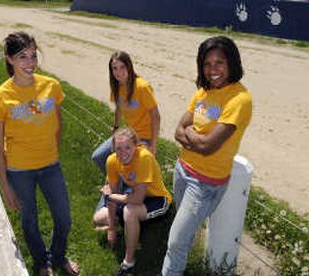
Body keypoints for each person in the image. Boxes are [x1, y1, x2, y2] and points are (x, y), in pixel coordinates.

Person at [0, 32, 78, 276]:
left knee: (64, 218)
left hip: (50, 165)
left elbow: (58, 123)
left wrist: (52, 150)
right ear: (9, 59)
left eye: (33, 56)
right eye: (22, 57)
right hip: (19, 171)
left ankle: (57, 256)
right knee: (29, 221)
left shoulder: (51, 86)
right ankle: (41, 261)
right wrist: (5, 186)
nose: (30, 63)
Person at [161, 36, 252, 275]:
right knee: (182, 236)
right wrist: (195, 140)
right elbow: (177, 131)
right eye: (207, 64)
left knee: (175, 242)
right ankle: (183, 262)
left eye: (219, 63)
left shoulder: (239, 99)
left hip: (205, 184)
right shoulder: (202, 92)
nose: (213, 70)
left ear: (232, 62)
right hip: (182, 170)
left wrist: (192, 136)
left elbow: (208, 146)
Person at [92, 51, 161, 228]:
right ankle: (118, 187)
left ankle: (114, 204)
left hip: (142, 138)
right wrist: (115, 129)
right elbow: (118, 109)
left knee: (125, 163)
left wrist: (153, 145)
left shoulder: (141, 86)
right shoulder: (117, 87)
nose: (119, 72)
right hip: (126, 135)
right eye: (114, 68)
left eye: (122, 67)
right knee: (99, 156)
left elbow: (155, 115)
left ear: (129, 67)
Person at [100, 127, 172, 276]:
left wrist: (111, 197)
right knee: (98, 218)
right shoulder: (112, 161)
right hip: (134, 196)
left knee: (129, 212)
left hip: (157, 199)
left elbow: (135, 199)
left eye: (128, 147)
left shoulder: (144, 157)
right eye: (118, 148)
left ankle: (128, 262)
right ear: (113, 149)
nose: (123, 152)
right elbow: (113, 192)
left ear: (136, 146)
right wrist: (111, 229)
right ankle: (130, 228)